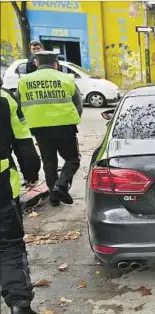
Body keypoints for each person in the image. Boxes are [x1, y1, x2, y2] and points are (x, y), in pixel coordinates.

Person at [16, 51, 82, 207]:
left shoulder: (25, 81)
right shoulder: (66, 79)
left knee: (49, 161)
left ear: (37, 63)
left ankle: (54, 197)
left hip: (39, 129)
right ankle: (61, 185)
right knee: (72, 159)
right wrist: (73, 120)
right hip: (65, 127)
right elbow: (78, 105)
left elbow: (19, 106)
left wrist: (30, 122)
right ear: (56, 63)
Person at [1, 77, 41, 314]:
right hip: (2, 186)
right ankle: (19, 303)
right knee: (9, 245)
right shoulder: (4, 99)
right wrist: (31, 173)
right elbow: (23, 142)